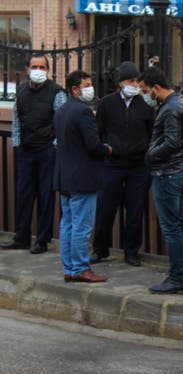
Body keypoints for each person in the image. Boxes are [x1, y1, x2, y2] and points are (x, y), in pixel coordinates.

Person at [91, 61, 155, 267]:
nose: (134, 84)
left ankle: (131, 252)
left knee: (135, 211)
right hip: (113, 163)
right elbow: (98, 131)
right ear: (120, 83)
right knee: (105, 208)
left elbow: (152, 132)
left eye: (137, 81)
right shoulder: (107, 104)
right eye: (130, 80)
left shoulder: (145, 104)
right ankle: (100, 249)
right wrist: (105, 150)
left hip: (138, 165)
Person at [1, 55, 66, 254]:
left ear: (48, 69)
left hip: (47, 151)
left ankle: (42, 240)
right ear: (27, 69)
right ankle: (21, 237)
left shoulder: (56, 92)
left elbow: (62, 122)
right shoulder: (21, 91)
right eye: (34, 66)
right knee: (24, 195)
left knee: (46, 197)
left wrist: (54, 146)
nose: (38, 70)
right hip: (26, 151)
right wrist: (18, 145)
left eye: (42, 67)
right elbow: (17, 120)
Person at [139, 67, 183, 294]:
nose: (145, 94)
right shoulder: (181, 103)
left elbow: (171, 142)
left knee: (172, 229)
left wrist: (150, 155)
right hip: (178, 171)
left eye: (145, 90)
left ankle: (177, 277)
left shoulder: (171, 108)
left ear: (156, 87)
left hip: (167, 174)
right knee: (178, 227)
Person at [53, 70, 111, 282]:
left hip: (65, 176)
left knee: (68, 222)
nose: (90, 88)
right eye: (86, 85)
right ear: (75, 89)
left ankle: (69, 268)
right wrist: (107, 149)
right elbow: (93, 145)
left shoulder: (61, 110)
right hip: (83, 177)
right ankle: (80, 268)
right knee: (81, 225)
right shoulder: (83, 112)